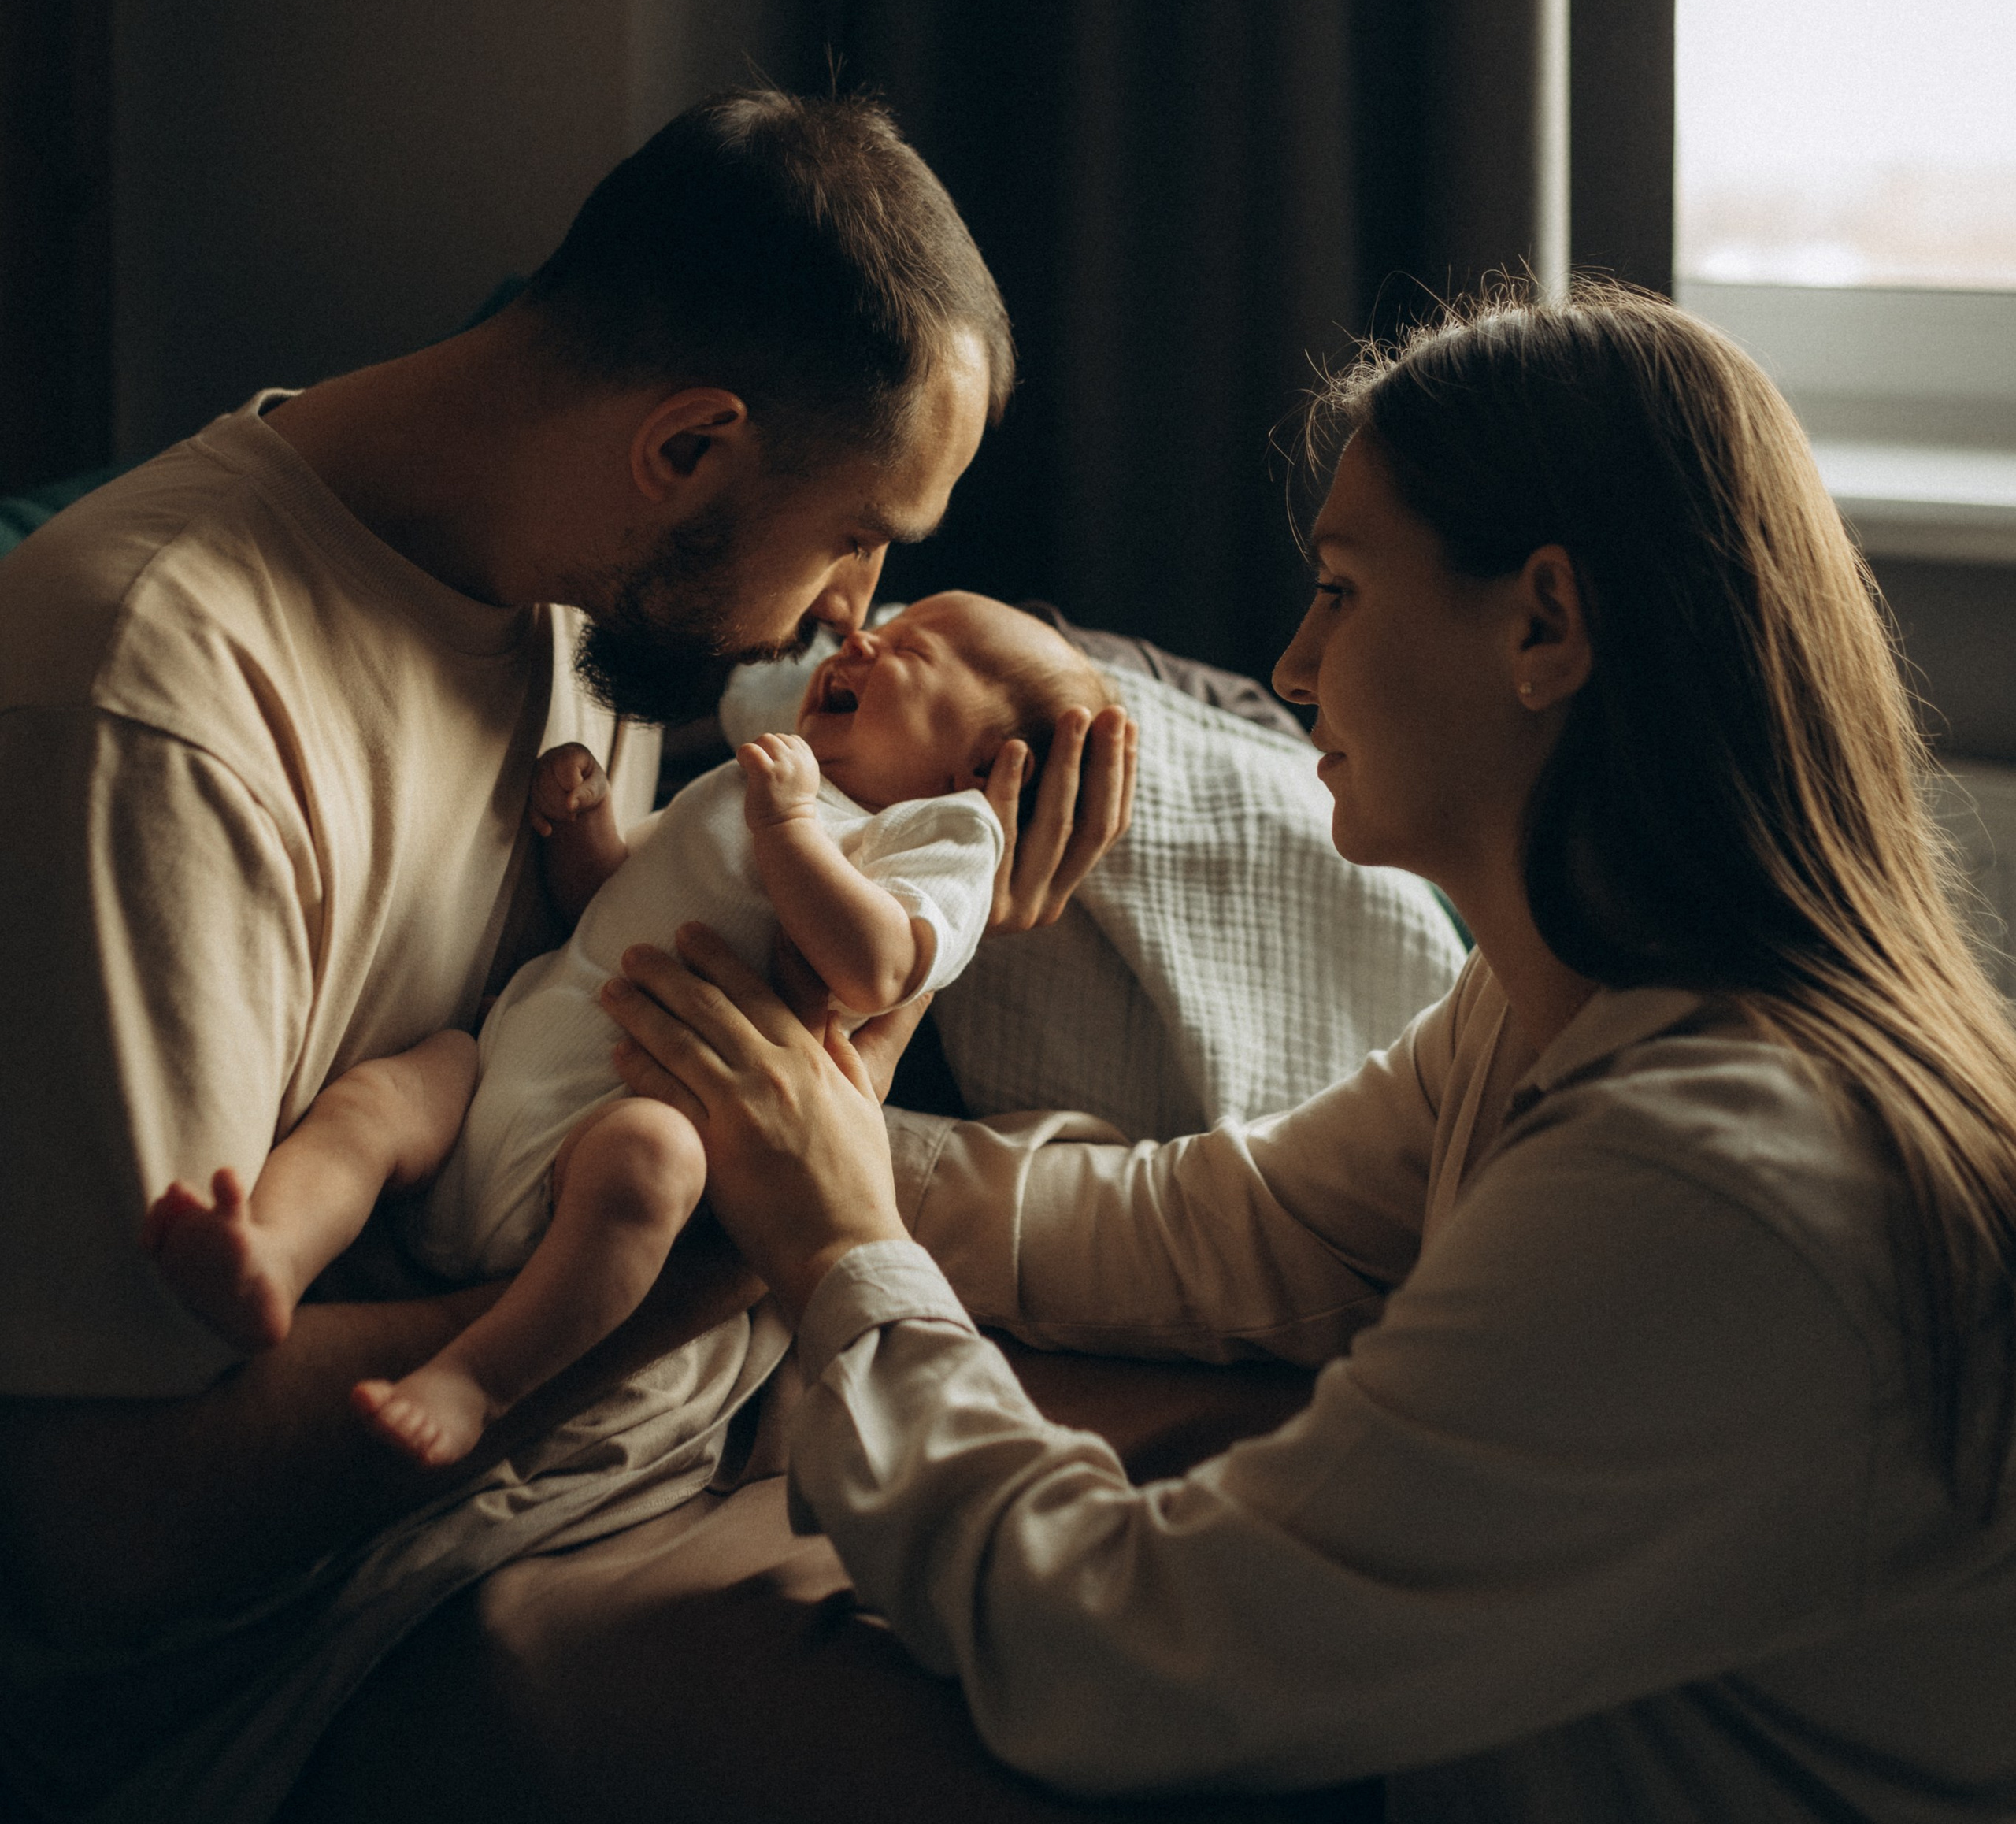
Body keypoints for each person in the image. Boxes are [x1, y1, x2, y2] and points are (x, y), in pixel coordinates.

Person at [602, 283, 2016, 1820]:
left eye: (1340, 588)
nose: (1287, 663)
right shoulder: (1566, 1003)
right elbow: (1237, 1227)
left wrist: (840, 1244)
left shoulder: (1709, 1182)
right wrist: (796, 1128)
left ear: (1539, 622)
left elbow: (1121, 1649)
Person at [0, 91, 1133, 1824]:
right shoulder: (151, 702)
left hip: (608, 1435)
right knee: (1054, 1742)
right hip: (306, 1627)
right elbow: (115, 1533)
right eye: (854, 532)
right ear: (685, 451)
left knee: (1223, 1463)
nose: (856, 606)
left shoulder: (579, 597)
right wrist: (747, 1229)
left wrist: (1037, 732)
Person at [141, 593, 1114, 1470]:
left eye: (914, 646)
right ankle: (274, 1249)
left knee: (650, 1165)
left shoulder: (938, 838)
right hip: (501, 1069)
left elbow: (879, 968)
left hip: (608, 1130)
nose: (861, 633)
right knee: (388, 1093)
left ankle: (478, 1378)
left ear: (980, 765)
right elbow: (612, 904)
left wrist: (791, 831)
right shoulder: (765, 779)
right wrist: (587, 823)